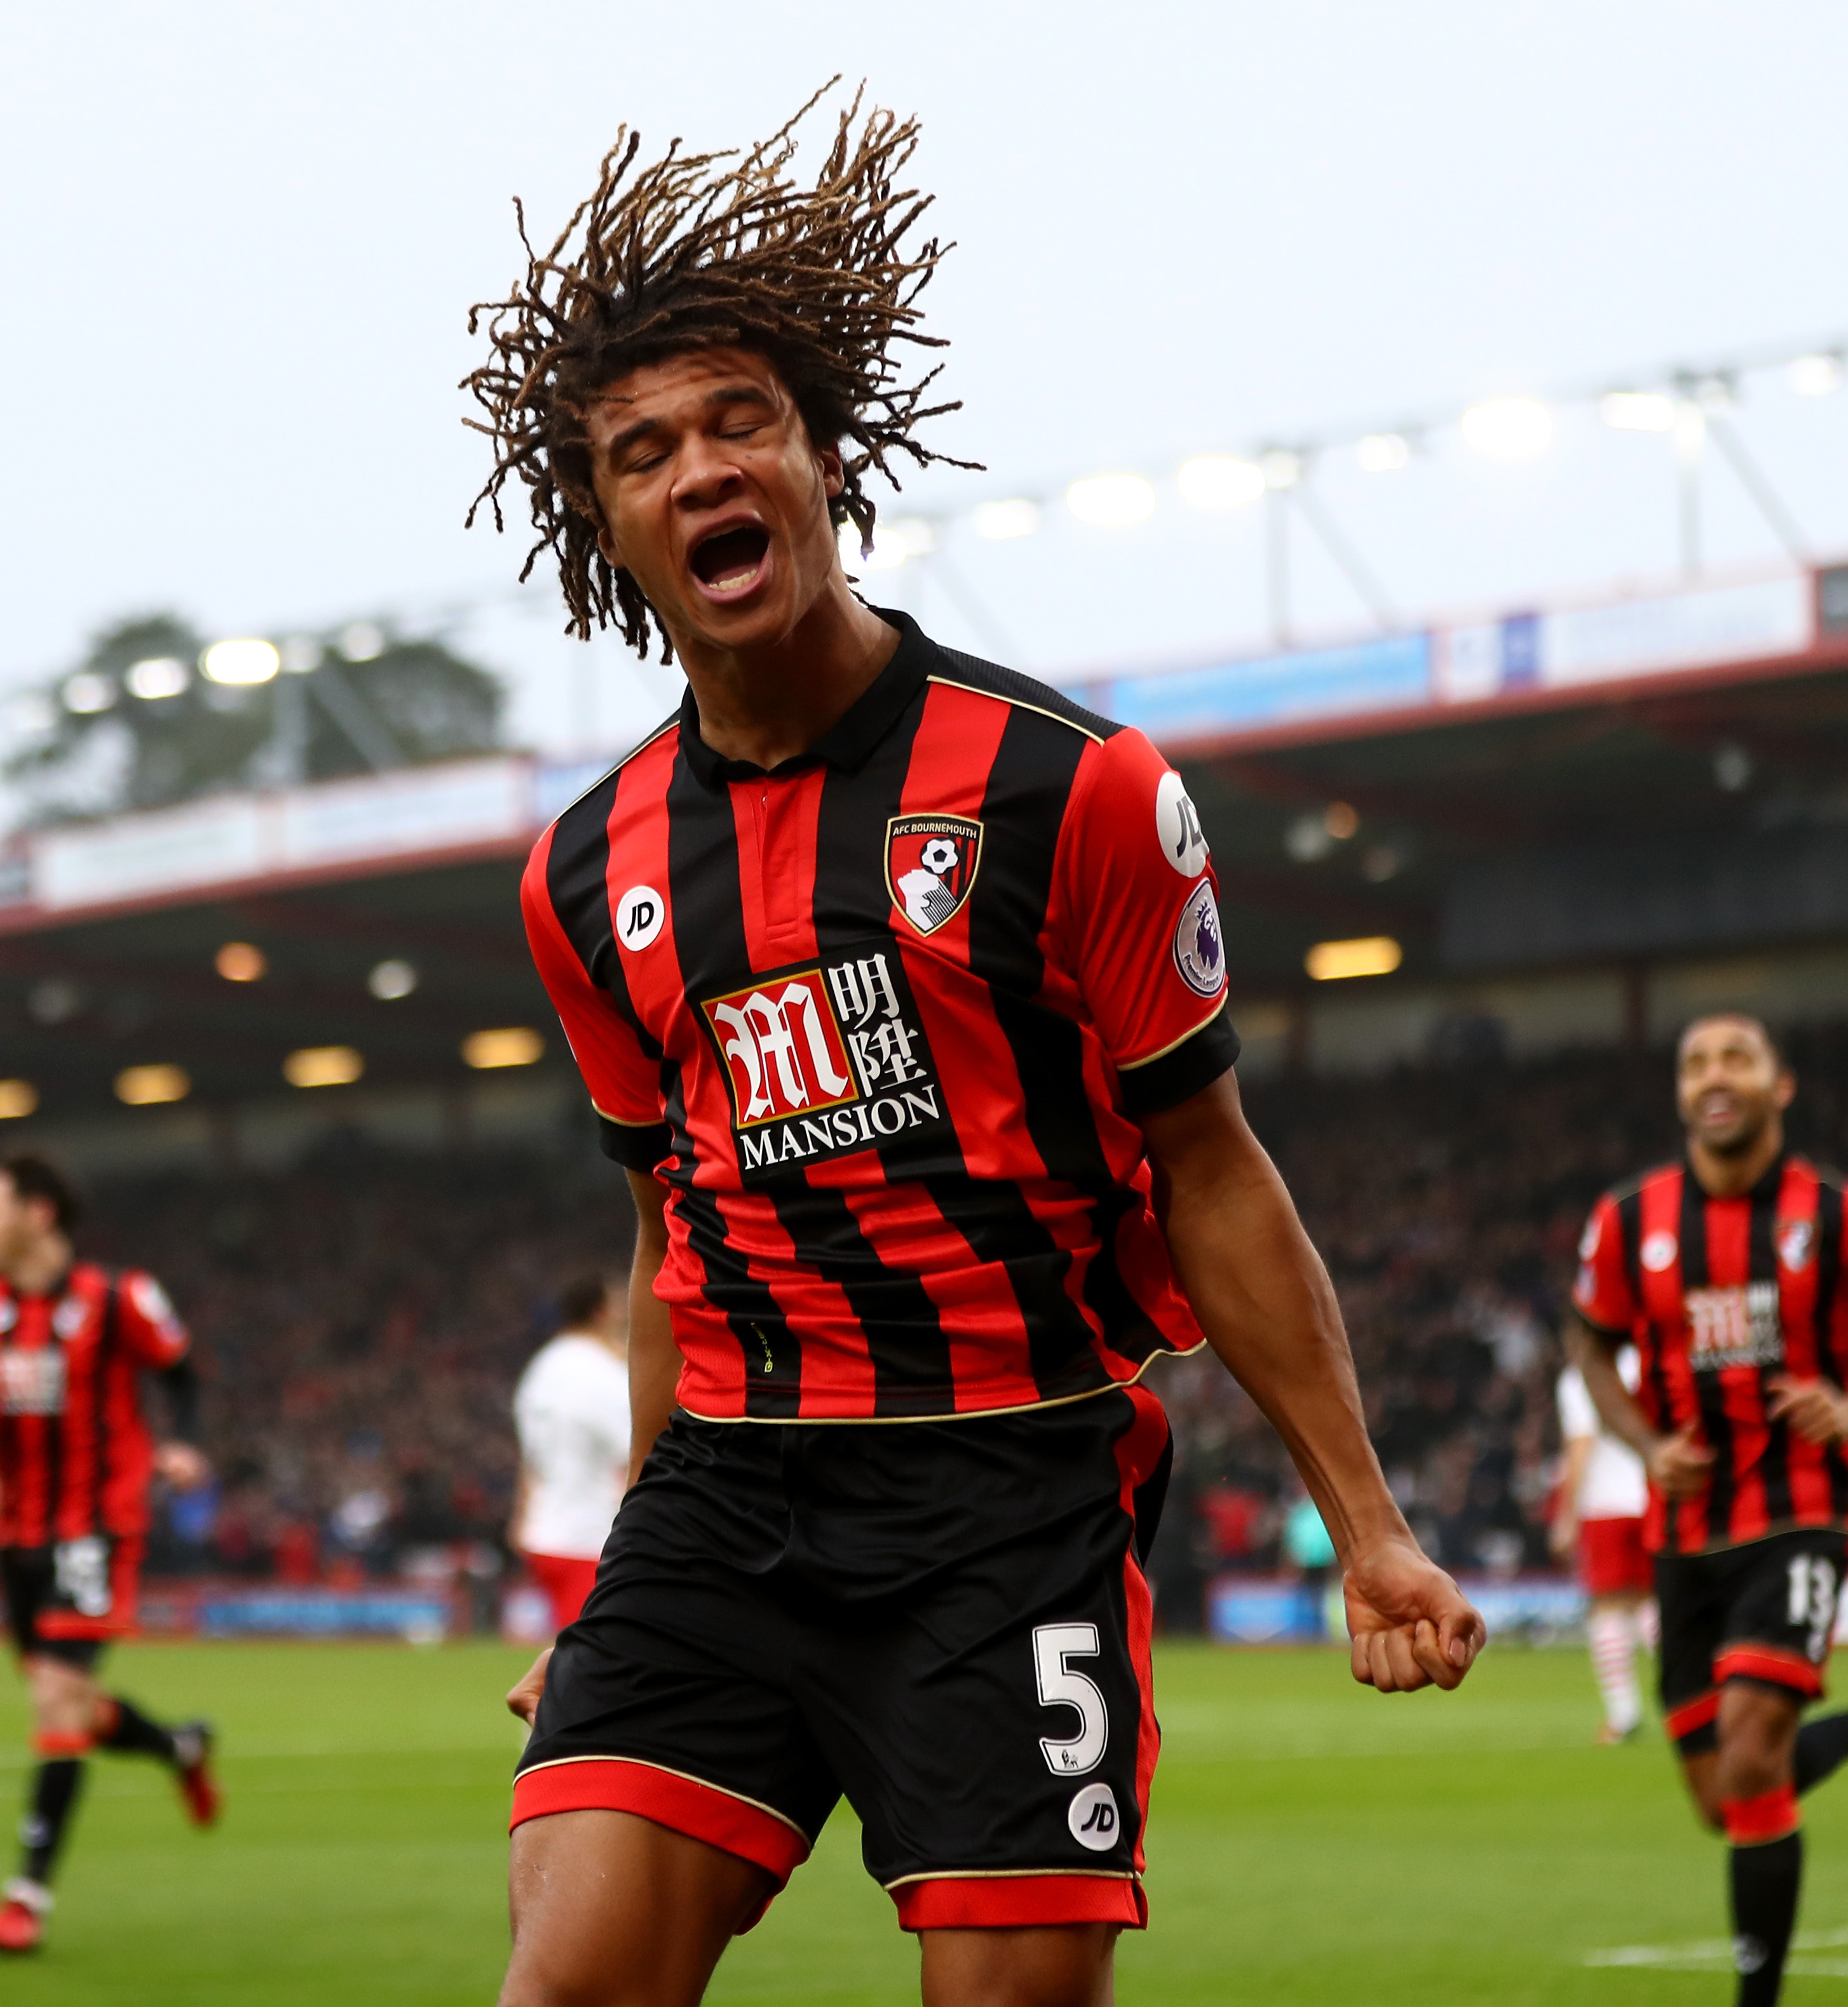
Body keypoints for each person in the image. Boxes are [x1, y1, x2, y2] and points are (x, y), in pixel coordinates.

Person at [467, 89, 1484, 2007]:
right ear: (602, 525)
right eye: (641, 449)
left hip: (1008, 1498)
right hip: (727, 1504)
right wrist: (615, 1558)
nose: (698, 468)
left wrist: (1370, 1522)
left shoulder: (1067, 789)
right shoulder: (582, 874)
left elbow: (1212, 1171)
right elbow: (662, 1242)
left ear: (824, 456)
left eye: (738, 419)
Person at [1567, 1013, 1848, 2007]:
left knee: (1752, 1754)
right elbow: (1587, 1342)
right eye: (1696, 1061)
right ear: (1680, 1090)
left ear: (1780, 1085)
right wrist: (1646, 1442)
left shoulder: (1844, 1214)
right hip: (1685, 1532)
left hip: (1801, 1514)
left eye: (1737, 1058)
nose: (1716, 1075)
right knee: (1722, 1796)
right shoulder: (1628, 1221)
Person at [0, 1151, 221, 1954]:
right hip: (13, 1534)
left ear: (38, 1213)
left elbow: (182, 1373)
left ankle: (25, 1897)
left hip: (95, 1526)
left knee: (56, 1698)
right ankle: (180, 1745)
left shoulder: (118, 1295)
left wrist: (186, 1444)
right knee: (72, 1707)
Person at [510, 1275, 632, 1631]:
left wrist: (520, 1516)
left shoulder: (542, 1368)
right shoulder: (601, 1374)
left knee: (576, 1653)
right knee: (598, 1661)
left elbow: (530, 1458)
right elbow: (640, 1451)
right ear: (601, 1313)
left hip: (543, 1533)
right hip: (588, 1536)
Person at [1551, 1346, 1654, 1743]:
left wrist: (1565, 1517)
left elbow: (1581, 1446)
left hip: (1606, 1506)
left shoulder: (1584, 1375)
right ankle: (1689, 1697)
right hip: (1652, 1496)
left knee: (1608, 1606)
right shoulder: (1644, 1362)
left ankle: (1623, 1715)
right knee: (1649, 1603)